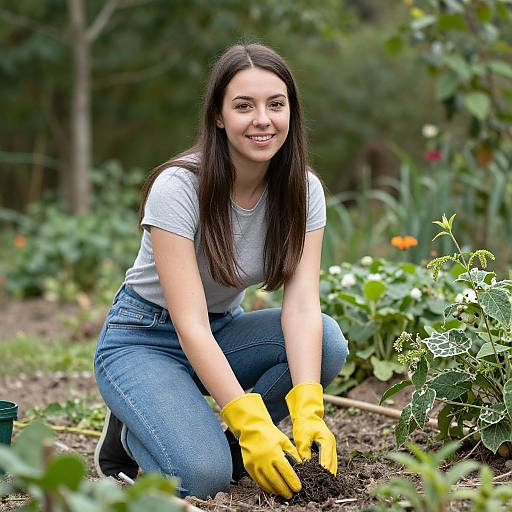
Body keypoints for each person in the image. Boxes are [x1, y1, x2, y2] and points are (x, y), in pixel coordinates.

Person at [93, 42, 349, 500]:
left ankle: (224, 444)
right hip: (146, 338)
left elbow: (303, 303)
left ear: (292, 110)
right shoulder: (179, 187)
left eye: (276, 104)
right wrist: (251, 421)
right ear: (218, 115)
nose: (263, 120)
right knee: (202, 479)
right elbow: (188, 323)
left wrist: (309, 407)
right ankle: (132, 438)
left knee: (325, 342)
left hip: (223, 332)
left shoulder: (304, 190)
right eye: (243, 106)